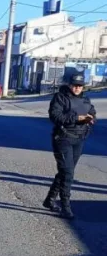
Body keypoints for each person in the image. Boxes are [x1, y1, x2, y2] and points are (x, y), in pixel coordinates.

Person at [44, 71, 96, 219]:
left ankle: (49, 200)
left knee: (66, 171)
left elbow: (92, 112)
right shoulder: (60, 98)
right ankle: (65, 206)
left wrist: (91, 118)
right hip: (63, 138)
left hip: (79, 139)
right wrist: (76, 117)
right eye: (75, 85)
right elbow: (55, 116)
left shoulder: (86, 100)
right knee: (68, 173)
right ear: (69, 85)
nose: (77, 88)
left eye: (80, 86)